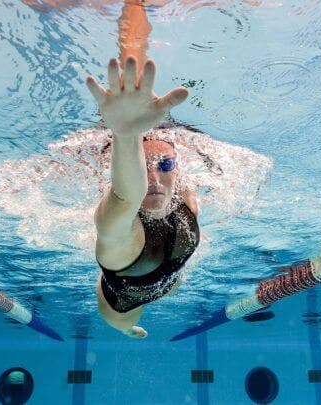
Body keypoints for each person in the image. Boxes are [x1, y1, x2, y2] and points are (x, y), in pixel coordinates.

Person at [84, 2, 201, 338]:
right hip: (124, 302)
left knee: (171, 279)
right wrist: (125, 134)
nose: (153, 177)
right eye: (143, 165)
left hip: (167, 274)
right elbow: (125, 194)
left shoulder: (186, 200)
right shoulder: (118, 230)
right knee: (120, 324)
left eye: (164, 165)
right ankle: (127, 329)